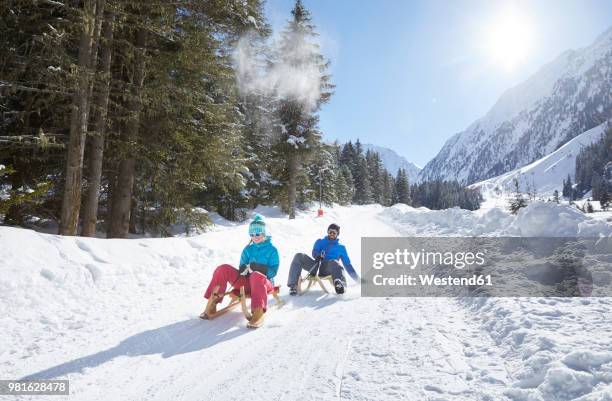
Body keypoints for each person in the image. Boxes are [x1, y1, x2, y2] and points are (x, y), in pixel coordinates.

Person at [201, 214, 279, 325]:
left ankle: (258, 311)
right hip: (247, 283)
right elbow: (242, 267)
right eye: (252, 234)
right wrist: (245, 269)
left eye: (258, 233)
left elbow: (273, 272)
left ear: (264, 233)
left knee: (256, 275)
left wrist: (257, 268)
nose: (255, 236)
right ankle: (213, 301)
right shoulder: (247, 250)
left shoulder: (272, 250)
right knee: (223, 269)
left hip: (265, 284)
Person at [287, 223, 359, 295]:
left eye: (334, 232)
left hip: (327, 268)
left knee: (334, 262)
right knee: (298, 256)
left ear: (337, 234)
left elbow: (347, 265)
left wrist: (358, 280)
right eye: (330, 231)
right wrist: (318, 256)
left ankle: (340, 285)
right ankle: (293, 286)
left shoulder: (341, 248)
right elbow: (314, 251)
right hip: (315, 266)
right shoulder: (320, 242)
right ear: (327, 232)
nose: (331, 234)